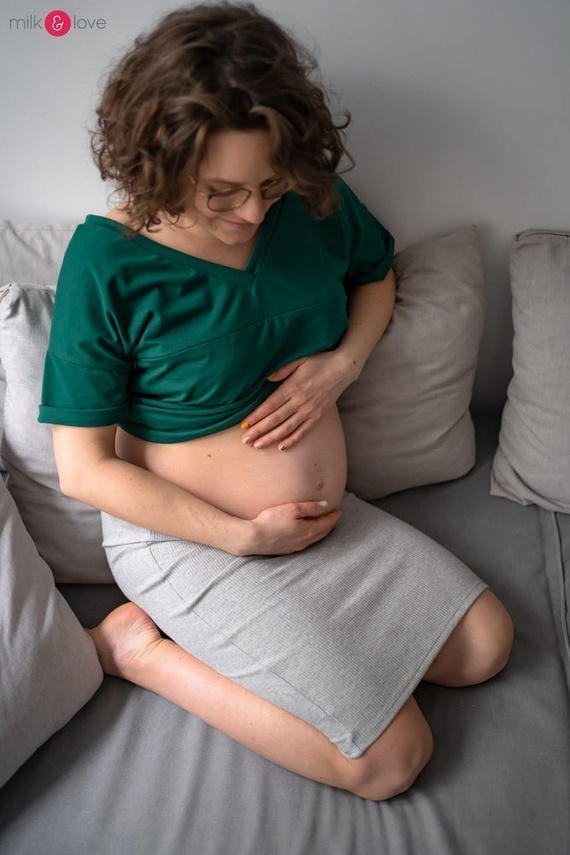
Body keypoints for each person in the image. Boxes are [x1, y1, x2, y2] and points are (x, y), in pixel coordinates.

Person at [38, 1, 513, 801]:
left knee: (485, 646)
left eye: (268, 184)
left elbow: (374, 273)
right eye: (222, 192)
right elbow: (83, 471)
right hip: (190, 540)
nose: (253, 213)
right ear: (159, 160)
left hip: (320, 526)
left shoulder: (310, 201)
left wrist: (342, 365)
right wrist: (239, 536)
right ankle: (138, 654)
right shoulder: (107, 263)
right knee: (390, 760)